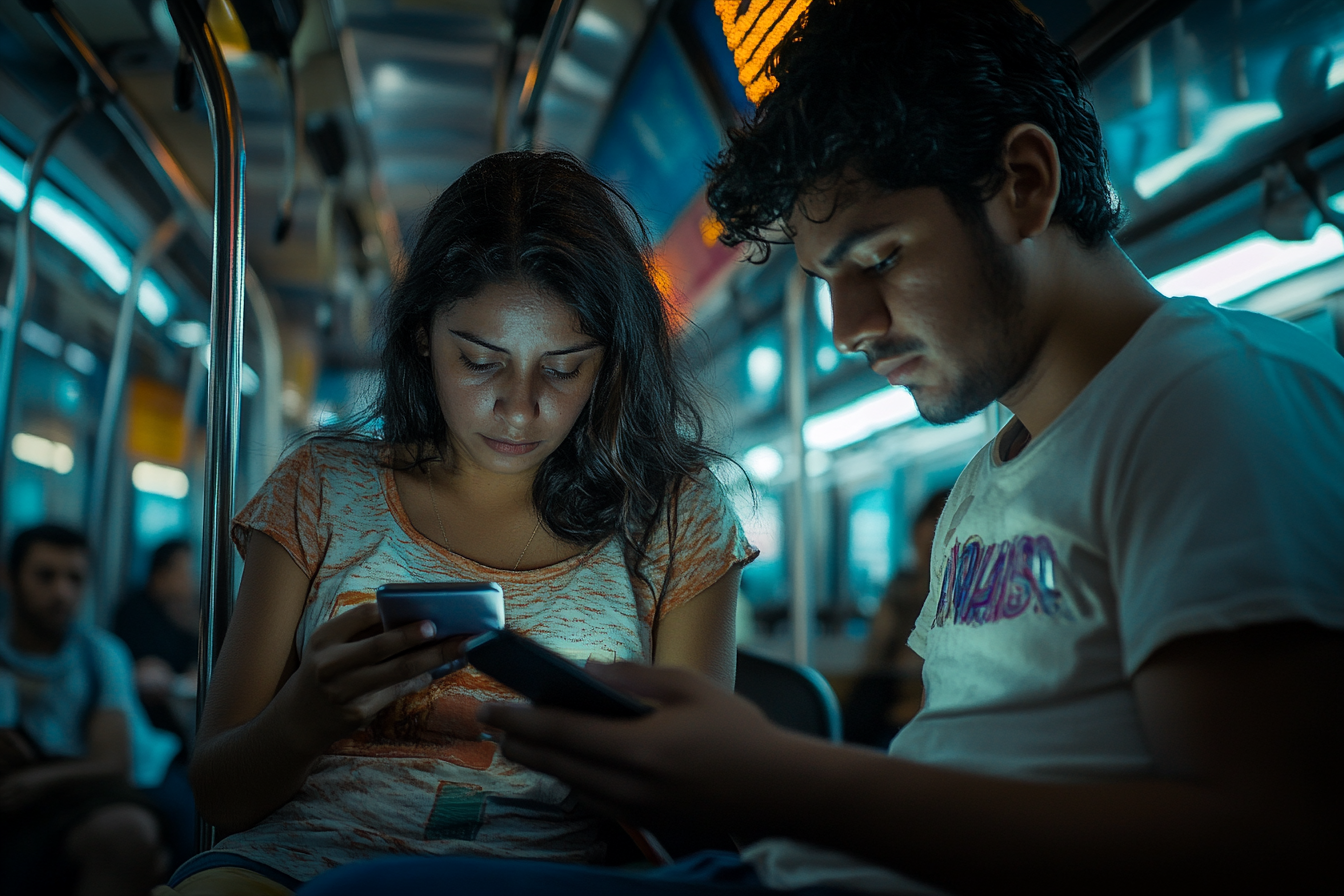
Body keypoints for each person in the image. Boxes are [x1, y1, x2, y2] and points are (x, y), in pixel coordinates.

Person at [298, 2, 1343, 894]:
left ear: (1025, 181)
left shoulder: (1209, 397)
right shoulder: (997, 471)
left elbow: (1263, 836)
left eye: (879, 256)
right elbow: (959, 774)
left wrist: (778, 777)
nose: (847, 324)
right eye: (826, 280)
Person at [165, 151, 755, 895]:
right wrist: (308, 712)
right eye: (480, 362)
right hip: (292, 868)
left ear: (611, 363)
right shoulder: (321, 486)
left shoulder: (677, 514)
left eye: (564, 368)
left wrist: (614, 758)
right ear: (422, 337)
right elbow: (219, 792)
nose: (518, 406)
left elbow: (700, 801)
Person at [0, 524, 171, 896]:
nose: (62, 593)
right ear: (9, 577)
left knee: (128, 832)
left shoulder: (100, 654)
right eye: (45, 576)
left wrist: (34, 781)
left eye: (74, 579)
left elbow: (112, 762)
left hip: (77, 795)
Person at [844, 489, 949, 747]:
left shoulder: (956, 596)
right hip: (888, 698)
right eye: (927, 526)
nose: (931, 538)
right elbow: (877, 655)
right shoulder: (900, 588)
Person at [114, 539, 198, 742]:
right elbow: (143, 669)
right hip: (145, 725)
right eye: (186, 572)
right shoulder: (135, 612)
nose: (193, 580)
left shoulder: (181, 614)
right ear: (161, 574)